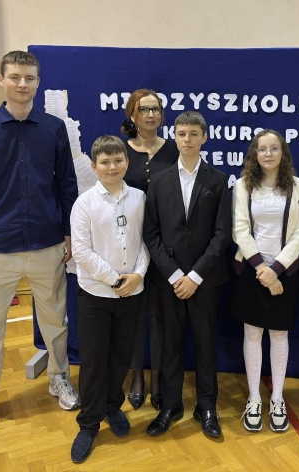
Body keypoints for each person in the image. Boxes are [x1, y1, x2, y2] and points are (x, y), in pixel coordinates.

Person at [0, 50, 79, 436]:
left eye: (29, 78)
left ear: (38, 82)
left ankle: (59, 378)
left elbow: (66, 184)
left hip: (47, 242)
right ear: (2, 80)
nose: (22, 84)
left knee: (55, 322)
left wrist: (69, 232)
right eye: (14, 77)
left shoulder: (53, 128)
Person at [143, 111, 231, 438]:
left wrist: (195, 276)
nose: (187, 139)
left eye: (194, 134)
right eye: (181, 133)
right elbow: (151, 233)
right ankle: (170, 405)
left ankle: (207, 407)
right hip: (169, 282)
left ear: (204, 137)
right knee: (170, 345)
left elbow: (222, 235)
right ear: (174, 137)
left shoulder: (218, 180)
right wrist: (175, 274)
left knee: (206, 345)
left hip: (205, 281)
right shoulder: (160, 180)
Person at [69, 136, 150, 463]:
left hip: (131, 292)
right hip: (97, 294)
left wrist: (138, 275)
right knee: (94, 360)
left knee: (120, 357)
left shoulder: (140, 198)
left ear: (126, 163)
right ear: (94, 166)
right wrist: (114, 279)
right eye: (105, 162)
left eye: (118, 160)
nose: (112, 167)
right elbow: (81, 252)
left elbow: (146, 241)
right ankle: (88, 424)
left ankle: (112, 406)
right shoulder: (84, 203)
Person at [230, 129, 299, 433]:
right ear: (254, 153)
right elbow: (240, 229)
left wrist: (275, 269)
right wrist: (262, 269)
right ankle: (254, 398)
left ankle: (277, 398)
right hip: (251, 270)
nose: (268, 154)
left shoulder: (298, 186)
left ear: (283, 152)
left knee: (279, 335)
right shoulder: (243, 185)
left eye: (274, 148)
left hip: (284, 272)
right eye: (262, 149)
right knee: (252, 334)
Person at [121, 89, 179, 411]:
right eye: (144, 110)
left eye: (156, 109)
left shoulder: (173, 150)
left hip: (163, 246)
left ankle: (157, 379)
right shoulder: (121, 151)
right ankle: (137, 377)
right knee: (134, 315)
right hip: (128, 245)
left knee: (159, 316)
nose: (151, 115)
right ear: (133, 114)